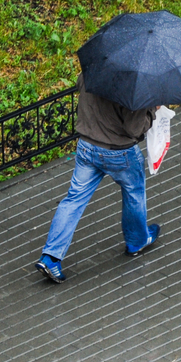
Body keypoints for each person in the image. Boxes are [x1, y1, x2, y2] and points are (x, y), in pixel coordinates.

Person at [35, 73, 161, 283]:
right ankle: (137, 240)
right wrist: (151, 111)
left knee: (74, 200)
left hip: (86, 147)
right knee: (133, 192)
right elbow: (134, 129)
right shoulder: (134, 86)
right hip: (119, 152)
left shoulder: (94, 70)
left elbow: (78, 83)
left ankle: (50, 257)